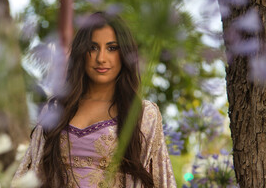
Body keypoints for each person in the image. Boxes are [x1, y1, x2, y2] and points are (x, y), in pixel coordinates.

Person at [12, 12, 176, 188]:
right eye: (93, 47)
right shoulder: (56, 110)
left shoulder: (143, 115)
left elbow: (162, 181)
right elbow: (33, 173)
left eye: (112, 48)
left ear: (124, 54)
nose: (101, 58)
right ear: (82, 52)